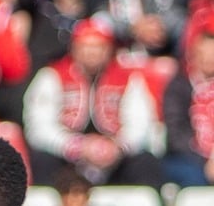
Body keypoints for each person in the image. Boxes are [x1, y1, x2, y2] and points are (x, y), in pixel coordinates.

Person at [24, 18, 164, 190]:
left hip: (115, 156)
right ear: (74, 48)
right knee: (42, 160)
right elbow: (38, 127)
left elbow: (140, 123)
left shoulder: (128, 78)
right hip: (66, 156)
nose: (92, 53)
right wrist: (75, 146)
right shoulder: (52, 76)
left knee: (145, 163)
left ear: (109, 49)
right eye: (85, 46)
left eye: (98, 47)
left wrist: (117, 147)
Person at [164, 31, 214, 189]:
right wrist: (206, 160)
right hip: (189, 157)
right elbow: (176, 134)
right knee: (193, 176)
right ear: (192, 55)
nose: (209, 59)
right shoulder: (179, 87)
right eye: (203, 54)